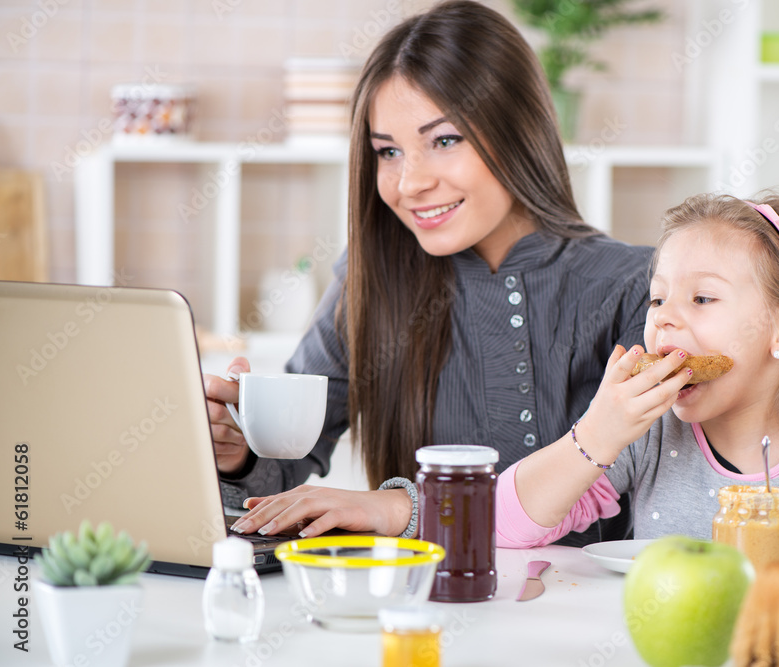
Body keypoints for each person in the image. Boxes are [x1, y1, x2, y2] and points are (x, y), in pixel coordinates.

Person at [205, 0, 650, 543]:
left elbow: (612, 491)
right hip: (424, 613)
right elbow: (283, 469)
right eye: (388, 152)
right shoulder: (371, 279)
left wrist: (399, 507)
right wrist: (239, 453)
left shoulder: (638, 289)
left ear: (519, 129)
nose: (409, 182)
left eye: (443, 141)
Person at [495, 192, 779, 570]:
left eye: (702, 298)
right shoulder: (649, 439)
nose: (663, 317)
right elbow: (502, 527)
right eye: (658, 298)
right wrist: (595, 434)